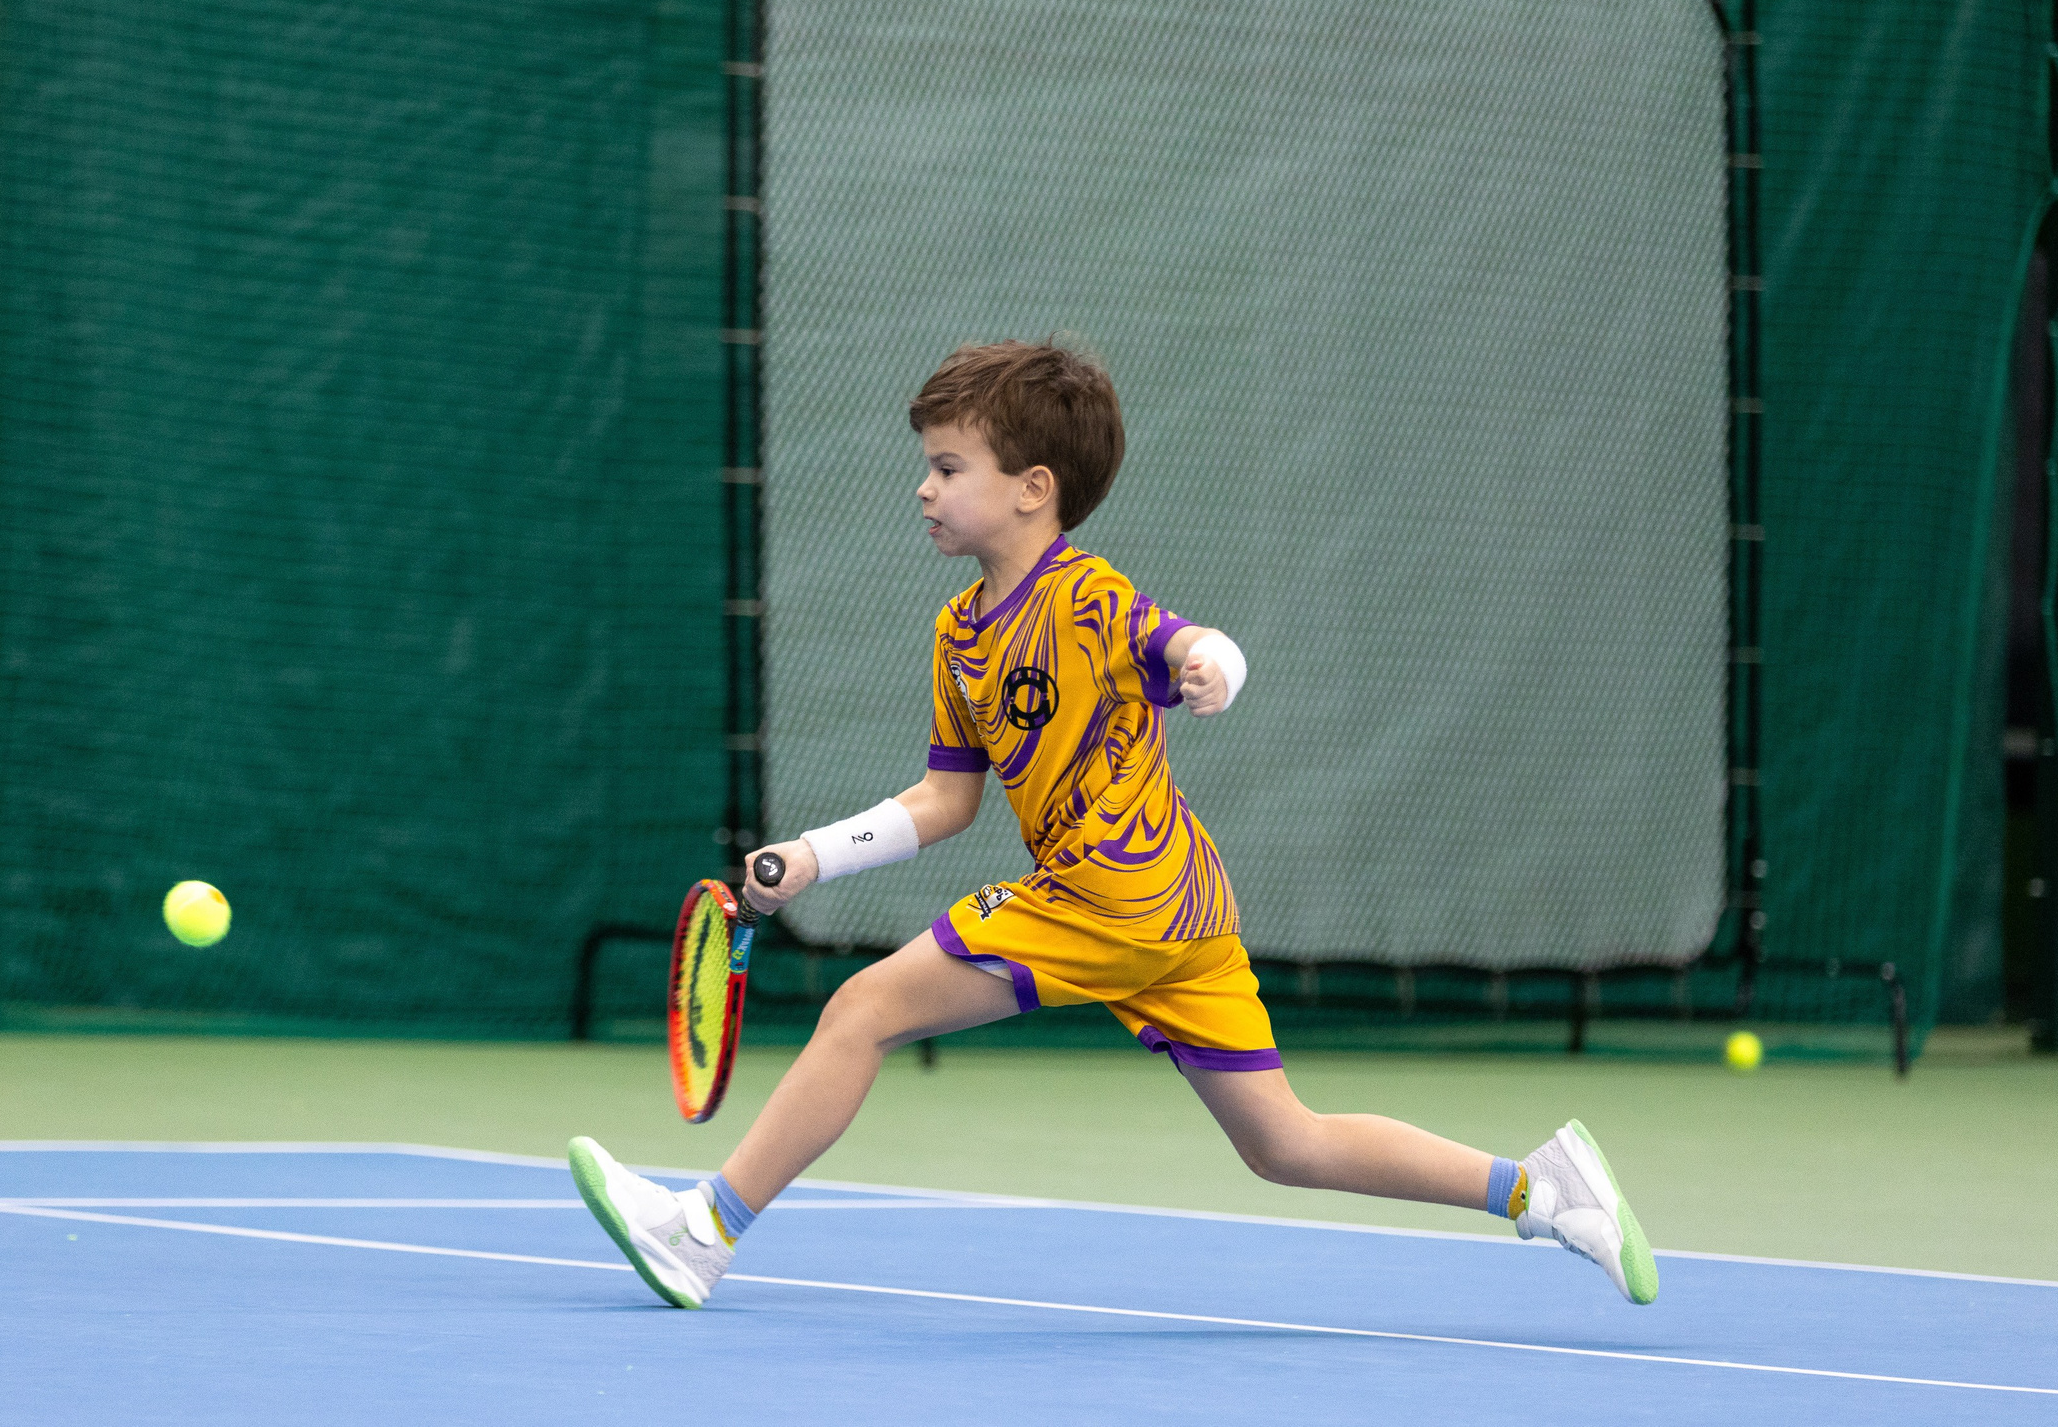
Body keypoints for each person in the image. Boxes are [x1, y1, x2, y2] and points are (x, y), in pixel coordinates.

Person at [569, 340, 1657, 1311]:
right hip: (1178, 910)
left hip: (1113, 890)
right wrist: (813, 855)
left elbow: (1193, 645)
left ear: (1033, 489)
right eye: (928, 465)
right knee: (1284, 1142)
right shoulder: (959, 635)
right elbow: (946, 800)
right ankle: (1539, 1190)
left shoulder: (1087, 596)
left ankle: (702, 1231)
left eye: (949, 467)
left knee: (860, 1011)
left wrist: (1207, 666)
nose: (925, 488)